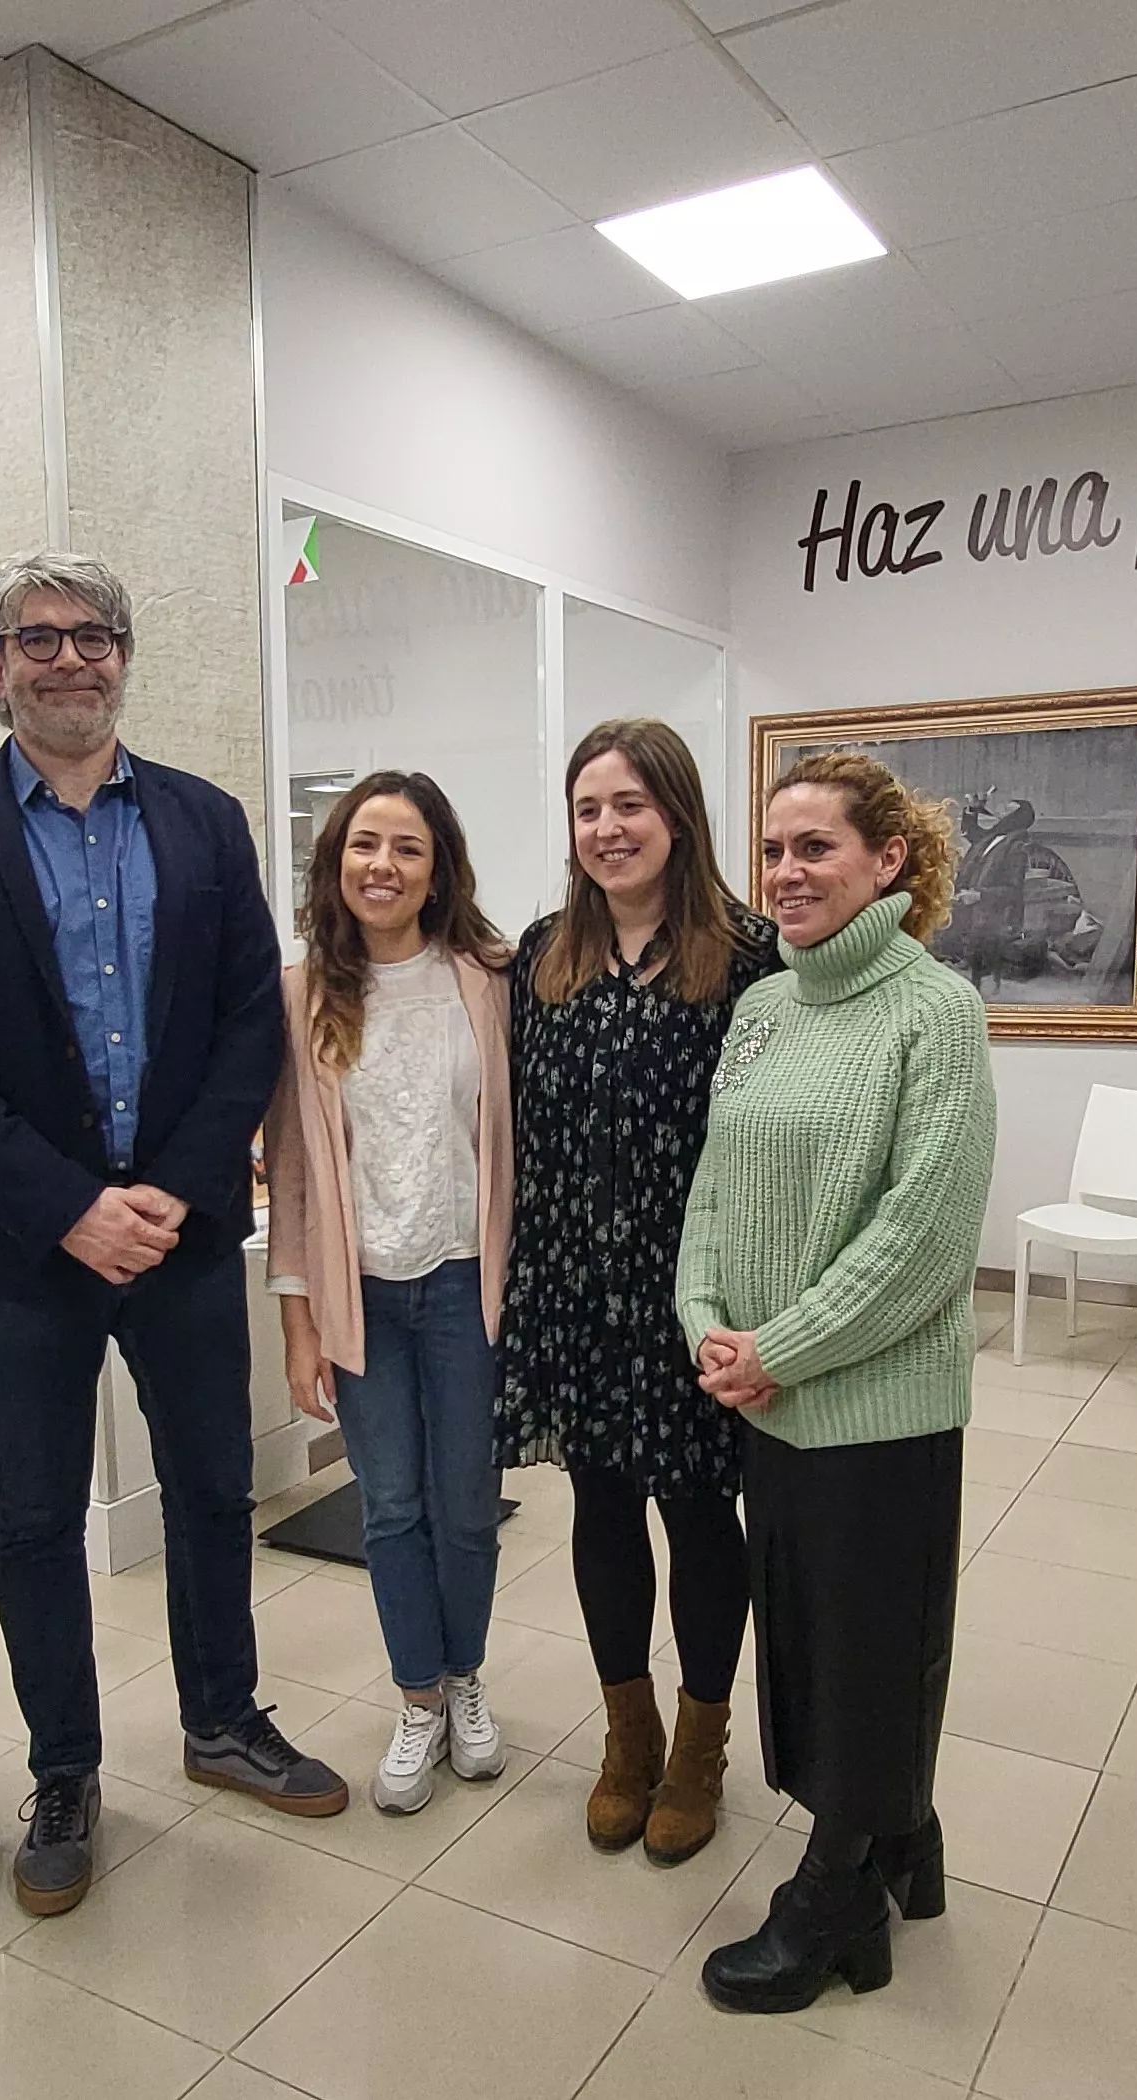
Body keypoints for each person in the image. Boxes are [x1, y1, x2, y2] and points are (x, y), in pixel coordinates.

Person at [0, 551, 345, 1916]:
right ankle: (66, 1771)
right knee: (34, 1518)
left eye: (93, 636)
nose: (68, 659)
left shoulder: (204, 822)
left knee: (209, 1486)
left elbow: (250, 1016)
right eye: (38, 639)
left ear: (125, 658)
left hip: (184, 1230)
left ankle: (221, 1720)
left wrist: (179, 1192)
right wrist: (68, 1204)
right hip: (27, 1247)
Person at [677, 750, 996, 2014]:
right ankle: (901, 1837)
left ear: (887, 865)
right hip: (767, 1397)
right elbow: (712, 1183)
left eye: (815, 848)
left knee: (873, 1649)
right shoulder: (763, 1009)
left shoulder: (937, 1012)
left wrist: (781, 1348)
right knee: (806, 1641)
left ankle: (837, 1897)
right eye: (774, 849)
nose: (787, 872)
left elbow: (922, 1238)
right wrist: (707, 1320)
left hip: (876, 1406)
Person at [495, 720, 777, 1865]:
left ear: (677, 815)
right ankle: (628, 1735)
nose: (607, 829)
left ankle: (702, 1747)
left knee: (703, 1514)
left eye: (628, 806)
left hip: (694, 1292)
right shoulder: (538, 955)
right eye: (587, 810)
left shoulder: (752, 957)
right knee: (601, 1507)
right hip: (571, 1283)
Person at [266, 772, 513, 1815]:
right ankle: (416, 1696)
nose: (383, 865)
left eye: (406, 848)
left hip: (464, 1287)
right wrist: (296, 1322)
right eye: (364, 845)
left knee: (465, 1507)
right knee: (391, 1506)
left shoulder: (489, 981)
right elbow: (286, 1171)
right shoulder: (301, 993)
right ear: (334, 865)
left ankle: (466, 1680)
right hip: (359, 1293)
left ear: (437, 868)